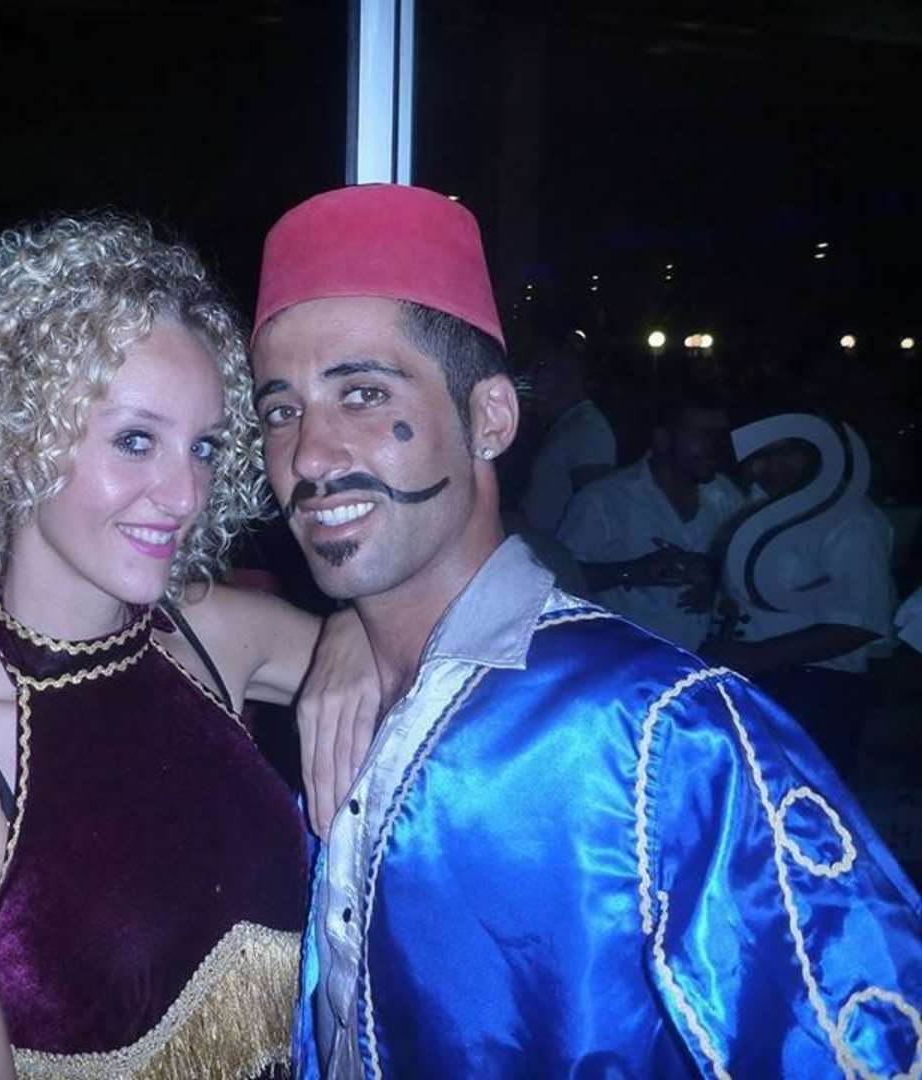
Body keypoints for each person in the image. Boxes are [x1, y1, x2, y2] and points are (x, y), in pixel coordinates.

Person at [250, 183, 922, 1079]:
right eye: (280, 410)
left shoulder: (661, 732)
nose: (308, 455)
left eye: (363, 394)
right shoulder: (344, 701)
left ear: (490, 418)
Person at [0, 213, 376, 1079]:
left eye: (203, 447)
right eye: (136, 440)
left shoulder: (212, 632)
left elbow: (437, 659)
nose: (185, 493)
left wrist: (357, 623)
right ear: (15, 441)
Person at [706, 431, 897, 777]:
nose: (770, 465)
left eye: (788, 452)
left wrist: (752, 657)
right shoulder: (757, 507)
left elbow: (859, 624)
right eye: (762, 453)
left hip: (816, 690)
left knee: (804, 795)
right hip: (753, 682)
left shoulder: (851, 519)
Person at [556, 382, 745, 650]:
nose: (716, 446)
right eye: (703, 435)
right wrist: (634, 571)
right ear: (663, 439)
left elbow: (744, 575)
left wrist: (715, 582)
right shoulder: (604, 499)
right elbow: (560, 580)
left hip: (702, 663)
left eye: (720, 436)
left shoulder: (726, 496)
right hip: (622, 661)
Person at [518, 325, 615, 536]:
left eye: (542, 367)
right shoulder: (563, 426)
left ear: (568, 373)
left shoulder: (589, 428)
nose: (533, 376)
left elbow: (596, 513)